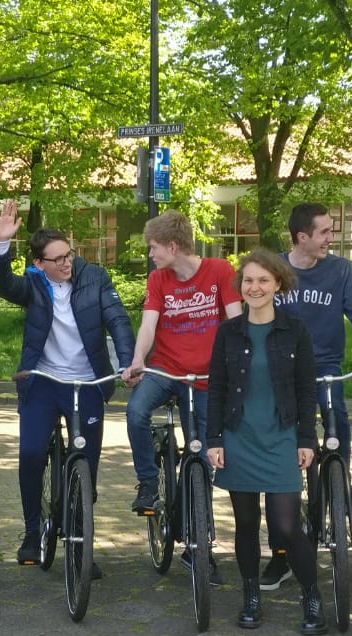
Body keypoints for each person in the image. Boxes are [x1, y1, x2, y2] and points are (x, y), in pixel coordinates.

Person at [258, 202, 352, 591]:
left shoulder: (339, 271)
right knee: (278, 455)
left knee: (337, 414)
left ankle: (341, 480)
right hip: (279, 372)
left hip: (325, 366)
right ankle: (280, 555)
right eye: (324, 231)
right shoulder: (274, 271)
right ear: (302, 237)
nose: (330, 238)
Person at [0, 199, 136, 566]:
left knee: (87, 463)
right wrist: (3, 245)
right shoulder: (34, 283)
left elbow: (117, 319)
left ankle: (80, 542)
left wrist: (129, 362)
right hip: (42, 381)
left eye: (69, 255)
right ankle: (31, 531)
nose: (67, 263)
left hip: (87, 382)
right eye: (58, 259)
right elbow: (5, 284)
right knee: (32, 454)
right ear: (39, 264)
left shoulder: (95, 277)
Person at [207, 250, 326, 634]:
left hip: (282, 438)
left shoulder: (295, 330)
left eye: (262, 280)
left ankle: (312, 596)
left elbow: (307, 389)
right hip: (239, 436)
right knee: (245, 523)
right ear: (240, 287)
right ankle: (251, 596)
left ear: (278, 284)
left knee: (287, 526)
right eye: (248, 281)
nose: (254, 287)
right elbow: (218, 390)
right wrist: (214, 439)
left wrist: (307, 438)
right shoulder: (229, 331)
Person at [123, 211, 241, 582]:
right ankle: (147, 482)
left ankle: (198, 546)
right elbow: (149, 323)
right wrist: (139, 361)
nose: (151, 254)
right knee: (136, 412)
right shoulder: (159, 278)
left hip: (207, 378)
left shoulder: (221, 271)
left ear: (173, 247)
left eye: (154, 248)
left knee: (203, 456)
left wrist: (236, 367)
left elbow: (236, 321)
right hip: (165, 370)